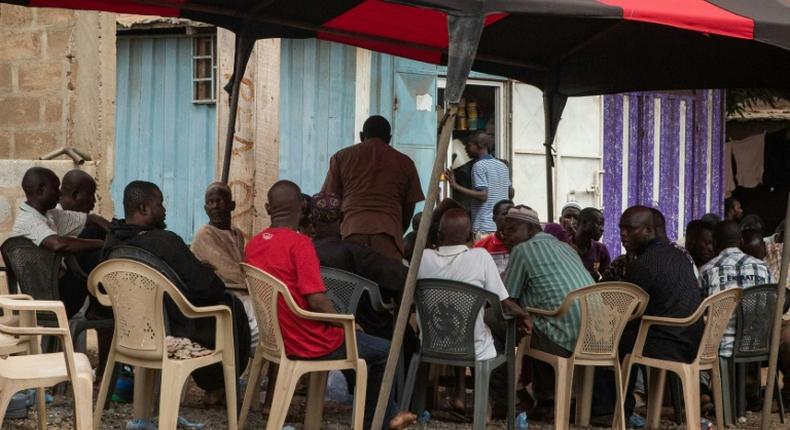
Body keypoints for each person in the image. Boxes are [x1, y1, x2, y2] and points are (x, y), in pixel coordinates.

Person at [245, 180, 415, 430]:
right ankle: (377, 422)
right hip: (308, 340)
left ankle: (386, 415)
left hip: (275, 336)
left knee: (367, 347)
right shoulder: (299, 244)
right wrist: (346, 323)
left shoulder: (255, 243)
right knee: (384, 350)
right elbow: (316, 301)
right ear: (302, 210)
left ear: (268, 208)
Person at [102, 181, 251, 403]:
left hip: (131, 332)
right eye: (160, 204)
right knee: (231, 306)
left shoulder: (112, 242)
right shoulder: (165, 241)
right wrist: (200, 270)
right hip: (173, 330)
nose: (165, 210)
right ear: (144, 209)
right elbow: (209, 287)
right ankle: (218, 384)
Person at [418, 208, 531, 415]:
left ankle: (458, 394)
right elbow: (504, 303)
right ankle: (498, 405)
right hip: (474, 347)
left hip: (430, 343)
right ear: (470, 237)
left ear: (439, 235)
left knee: (465, 326)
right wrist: (523, 314)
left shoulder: (422, 257)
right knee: (492, 336)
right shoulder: (480, 257)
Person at [605, 206, 704, 420]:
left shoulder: (643, 264)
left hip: (669, 343)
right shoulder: (679, 256)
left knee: (612, 338)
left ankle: (616, 411)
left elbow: (626, 310)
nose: (623, 235)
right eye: (621, 229)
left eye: (630, 229)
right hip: (694, 339)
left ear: (649, 230)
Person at [502, 205, 592, 417]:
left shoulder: (522, 250)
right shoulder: (567, 247)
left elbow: (507, 300)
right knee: (536, 318)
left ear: (531, 229)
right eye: (503, 231)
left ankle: (507, 398)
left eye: (511, 230)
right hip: (595, 336)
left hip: (564, 337)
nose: (505, 236)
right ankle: (544, 398)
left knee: (497, 321)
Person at [322, 115, 424, 262]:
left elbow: (330, 201)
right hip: (389, 236)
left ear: (362, 136)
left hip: (351, 232)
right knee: (388, 283)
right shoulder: (405, 163)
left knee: (351, 282)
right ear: (389, 138)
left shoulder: (341, 157)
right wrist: (396, 231)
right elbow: (409, 207)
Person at [311, 191, 409, 339]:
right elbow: (400, 275)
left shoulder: (303, 252)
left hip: (315, 330)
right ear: (343, 217)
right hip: (362, 331)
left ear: (311, 221)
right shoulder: (356, 251)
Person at [191, 182, 258, 348]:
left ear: (232, 205)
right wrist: (258, 285)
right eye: (210, 202)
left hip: (242, 294)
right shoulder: (204, 235)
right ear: (205, 208)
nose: (215, 206)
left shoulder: (236, 234)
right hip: (224, 297)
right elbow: (229, 272)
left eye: (219, 201)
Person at [700, 221, 773, 358]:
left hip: (719, 349)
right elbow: (774, 302)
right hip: (758, 345)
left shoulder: (706, 271)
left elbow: (698, 308)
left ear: (715, 242)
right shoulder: (763, 268)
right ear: (741, 241)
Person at [10, 167, 109, 256]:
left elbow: (90, 218)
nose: (60, 193)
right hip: (43, 276)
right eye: (55, 188)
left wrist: (113, 230)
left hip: (53, 273)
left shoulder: (50, 214)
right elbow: (58, 244)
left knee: (94, 232)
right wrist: (102, 244)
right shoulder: (28, 220)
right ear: (41, 190)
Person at [445, 132, 512, 238]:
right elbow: (510, 193)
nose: (466, 149)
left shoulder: (479, 166)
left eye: (469, 145)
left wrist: (455, 186)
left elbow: (483, 195)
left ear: (479, 146)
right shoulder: (502, 165)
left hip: (484, 227)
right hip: (499, 227)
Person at [473, 199, 514, 273]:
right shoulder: (481, 247)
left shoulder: (522, 245)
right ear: (494, 218)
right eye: (505, 214)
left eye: (512, 214)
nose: (510, 217)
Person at [572, 207, 610, 281]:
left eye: (602, 225)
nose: (602, 229)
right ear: (584, 222)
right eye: (598, 224)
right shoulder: (564, 246)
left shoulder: (601, 249)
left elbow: (608, 280)